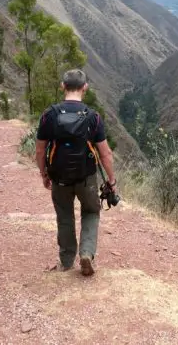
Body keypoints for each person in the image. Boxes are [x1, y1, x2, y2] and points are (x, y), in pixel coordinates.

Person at [35, 69, 117, 276]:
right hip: (86, 176)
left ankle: (66, 261)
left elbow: (39, 149)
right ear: (85, 88)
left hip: (58, 176)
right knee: (90, 211)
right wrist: (111, 179)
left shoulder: (49, 115)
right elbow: (105, 153)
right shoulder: (93, 117)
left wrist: (44, 173)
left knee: (64, 216)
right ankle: (87, 253)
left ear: (63, 86)